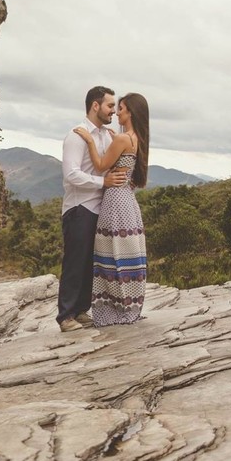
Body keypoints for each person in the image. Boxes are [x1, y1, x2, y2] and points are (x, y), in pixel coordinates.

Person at [72, 92, 150, 325]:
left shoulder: (122, 139)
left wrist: (89, 140)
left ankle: (111, 310)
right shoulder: (136, 139)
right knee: (126, 253)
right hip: (128, 201)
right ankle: (128, 305)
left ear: (131, 113)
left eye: (121, 109)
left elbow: (100, 165)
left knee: (109, 253)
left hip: (114, 200)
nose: (117, 113)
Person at [58, 86, 129, 332]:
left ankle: (80, 310)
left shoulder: (107, 136)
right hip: (80, 207)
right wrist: (103, 182)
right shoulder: (76, 135)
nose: (113, 111)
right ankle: (65, 316)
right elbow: (71, 174)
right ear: (95, 106)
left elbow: (107, 163)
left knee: (91, 262)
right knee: (75, 261)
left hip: (101, 208)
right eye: (110, 106)